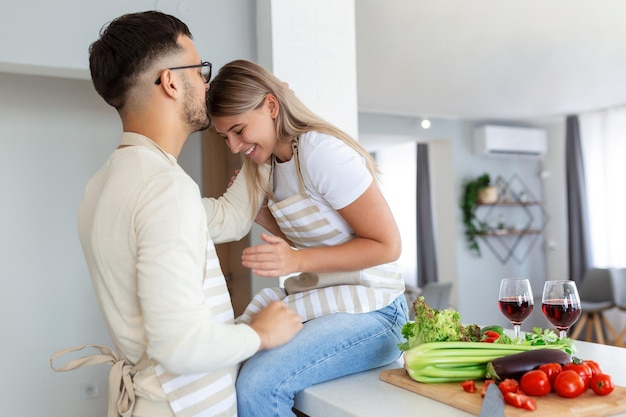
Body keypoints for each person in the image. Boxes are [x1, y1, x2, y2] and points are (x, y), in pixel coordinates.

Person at [50, 12, 302, 417]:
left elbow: (231, 219)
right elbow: (180, 346)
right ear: (170, 81)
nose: (207, 83)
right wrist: (259, 335)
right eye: (201, 71)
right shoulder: (165, 189)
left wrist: (261, 133)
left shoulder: (106, 186)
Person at [206, 59, 409, 417]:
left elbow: (388, 245)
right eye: (226, 137)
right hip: (327, 299)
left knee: (257, 386)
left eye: (239, 130)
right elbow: (320, 239)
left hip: (377, 309)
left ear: (271, 106)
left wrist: (296, 261)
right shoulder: (269, 166)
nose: (234, 146)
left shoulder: (321, 152)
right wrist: (263, 216)